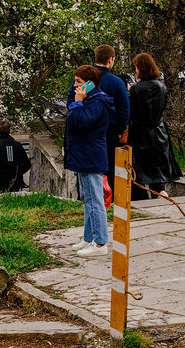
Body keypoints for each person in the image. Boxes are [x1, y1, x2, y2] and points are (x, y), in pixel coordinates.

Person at [66, 65, 115, 257]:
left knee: (95, 201)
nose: (74, 86)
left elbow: (80, 122)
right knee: (88, 200)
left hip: (90, 156)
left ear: (89, 84)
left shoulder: (97, 103)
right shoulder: (90, 99)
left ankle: (100, 243)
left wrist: (78, 102)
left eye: (78, 82)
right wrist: (77, 100)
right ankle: (89, 238)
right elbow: (72, 110)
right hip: (84, 155)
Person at [67, 44, 130, 180]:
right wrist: (119, 130)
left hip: (85, 135)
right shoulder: (117, 82)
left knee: (87, 178)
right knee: (109, 176)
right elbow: (124, 110)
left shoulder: (81, 80)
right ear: (110, 60)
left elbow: (70, 104)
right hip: (110, 134)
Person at [127, 52, 182, 200]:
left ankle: (142, 197)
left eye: (136, 67)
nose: (135, 70)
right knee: (157, 167)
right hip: (159, 131)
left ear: (141, 68)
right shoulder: (162, 87)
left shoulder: (136, 89)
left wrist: (129, 93)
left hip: (140, 133)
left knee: (139, 168)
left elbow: (131, 113)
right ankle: (160, 193)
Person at [0, 121, 31, 192]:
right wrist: (17, 173)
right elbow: (27, 164)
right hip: (15, 183)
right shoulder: (17, 145)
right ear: (9, 131)